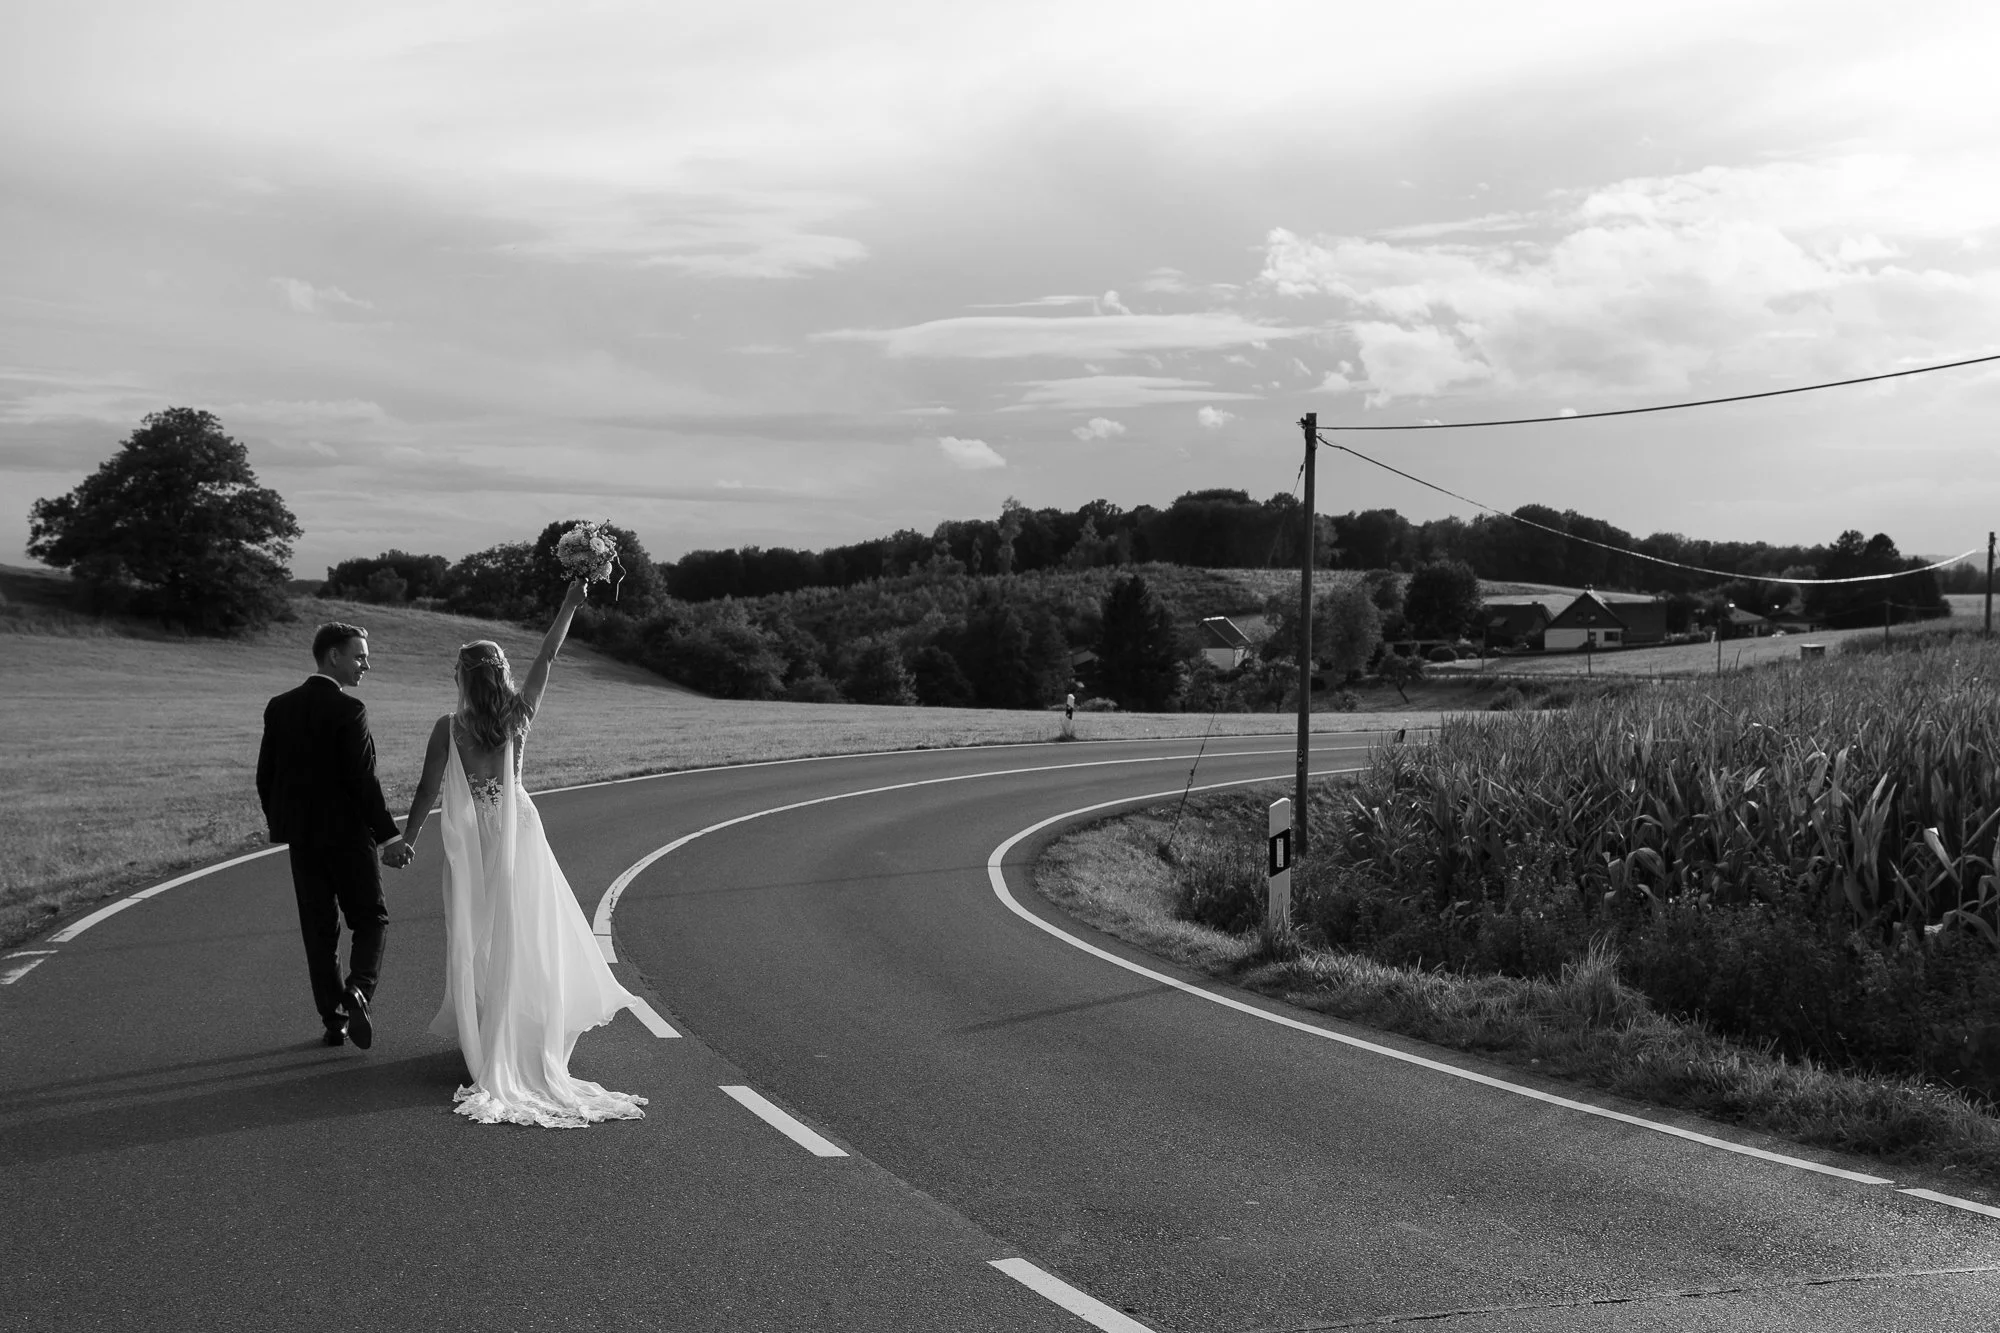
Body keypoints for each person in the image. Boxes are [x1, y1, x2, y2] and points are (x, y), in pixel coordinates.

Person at [398, 580, 647, 1128]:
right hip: (520, 830)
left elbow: (427, 789)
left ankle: (493, 1033)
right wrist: (570, 602)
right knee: (527, 930)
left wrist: (408, 839)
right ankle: (524, 1030)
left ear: (462, 679)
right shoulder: (519, 713)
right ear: (502, 675)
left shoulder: (449, 727)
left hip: (478, 839)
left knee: (481, 931)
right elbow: (549, 655)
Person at [256, 622, 414, 1050]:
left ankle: (334, 1020)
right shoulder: (350, 710)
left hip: (303, 841)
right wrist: (389, 837)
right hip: (348, 838)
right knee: (370, 918)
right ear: (333, 656)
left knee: (319, 929)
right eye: (359, 656)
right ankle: (359, 989)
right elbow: (363, 781)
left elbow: (266, 776)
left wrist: (283, 824)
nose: (366, 665)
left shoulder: (279, 706)